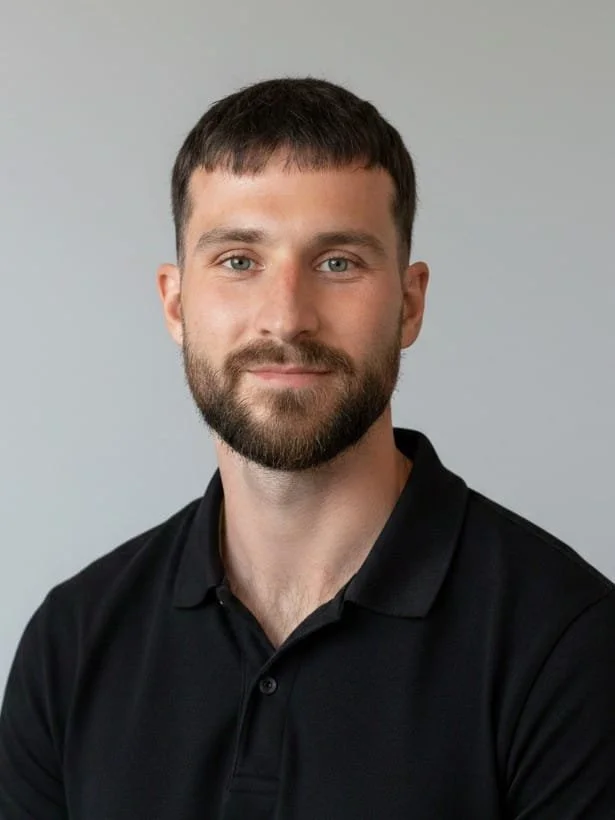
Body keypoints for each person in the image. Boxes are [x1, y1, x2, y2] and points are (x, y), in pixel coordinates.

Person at [1, 76, 614, 819]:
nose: (286, 317)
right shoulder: (72, 641)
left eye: (337, 263)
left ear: (409, 303)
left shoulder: (569, 641)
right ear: (174, 301)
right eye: (237, 260)